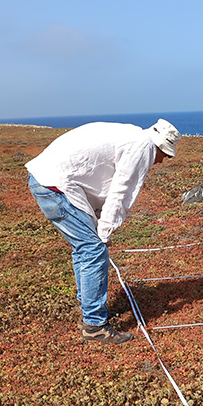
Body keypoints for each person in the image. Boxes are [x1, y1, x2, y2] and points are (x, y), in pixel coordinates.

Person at [26, 119, 181, 343]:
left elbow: (100, 184)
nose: (163, 161)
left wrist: (101, 226)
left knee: (85, 249)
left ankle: (89, 311)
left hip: (47, 180)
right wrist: (104, 232)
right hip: (56, 186)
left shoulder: (132, 136)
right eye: (165, 155)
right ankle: (94, 326)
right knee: (93, 250)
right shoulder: (143, 147)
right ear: (159, 146)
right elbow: (120, 192)